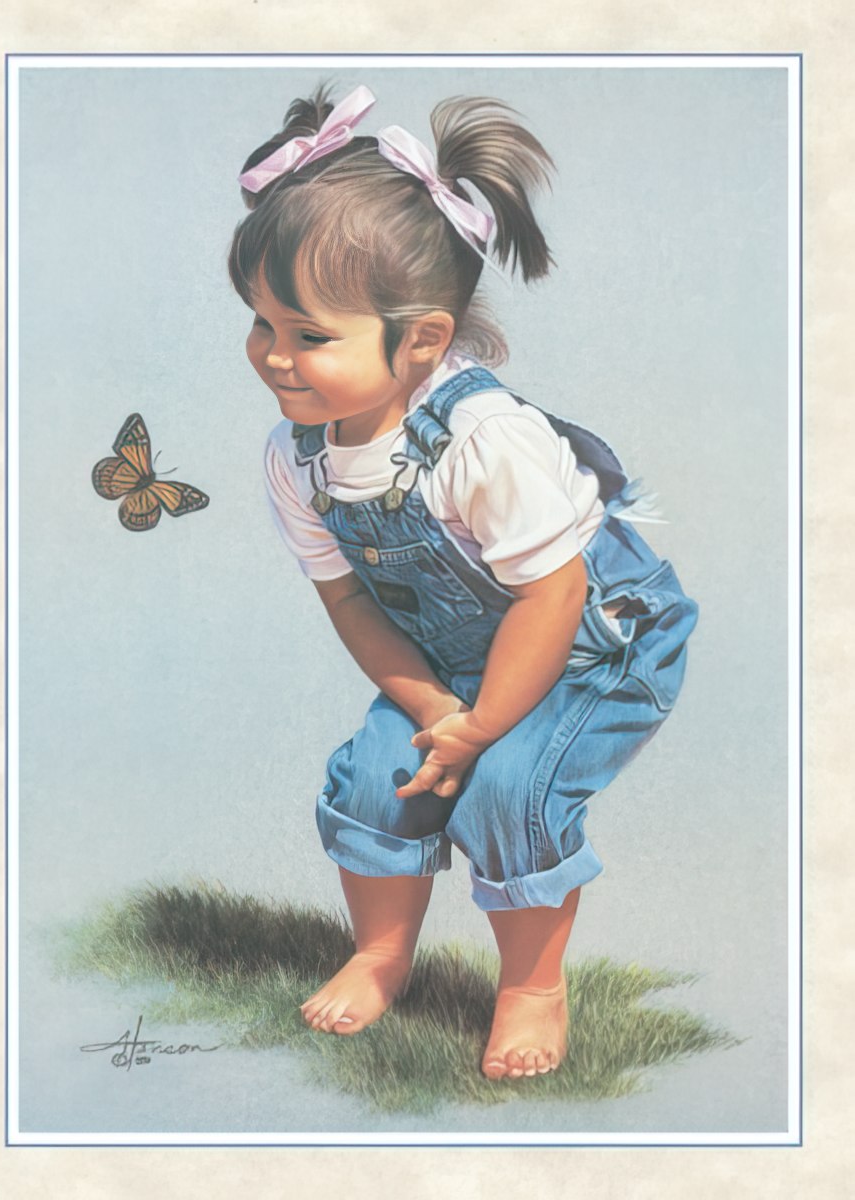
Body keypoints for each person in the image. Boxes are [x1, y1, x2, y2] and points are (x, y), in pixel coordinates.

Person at [228, 81, 698, 1080]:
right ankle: (381, 950)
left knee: (508, 789)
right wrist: (433, 707)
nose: (274, 357)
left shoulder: (484, 441)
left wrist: (479, 734)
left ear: (424, 340)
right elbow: (349, 599)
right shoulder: (298, 456)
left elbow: (554, 595)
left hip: (594, 644)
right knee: (373, 773)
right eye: (262, 323)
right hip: (460, 660)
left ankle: (530, 985)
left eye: (309, 335)